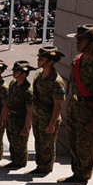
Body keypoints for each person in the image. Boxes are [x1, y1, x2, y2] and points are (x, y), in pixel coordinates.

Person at [59, 24, 93, 184]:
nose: (77, 43)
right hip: (74, 108)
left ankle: (83, 176)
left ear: (92, 43)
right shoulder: (77, 61)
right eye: (77, 39)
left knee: (86, 147)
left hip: (88, 111)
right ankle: (76, 174)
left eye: (81, 40)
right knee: (74, 143)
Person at [30, 46, 67, 175]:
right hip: (38, 116)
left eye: (42, 59)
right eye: (38, 58)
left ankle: (45, 169)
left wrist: (52, 124)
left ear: (50, 62)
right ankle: (40, 166)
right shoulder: (39, 75)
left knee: (47, 145)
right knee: (39, 143)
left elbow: (58, 105)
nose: (38, 60)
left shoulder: (56, 82)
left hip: (49, 118)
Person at [0, 61, 35, 169]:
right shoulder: (13, 84)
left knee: (20, 143)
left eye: (17, 71)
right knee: (12, 141)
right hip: (11, 118)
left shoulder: (28, 90)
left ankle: (20, 163)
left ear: (24, 74)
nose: (14, 72)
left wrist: (26, 127)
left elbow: (29, 111)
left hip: (21, 119)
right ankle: (14, 161)